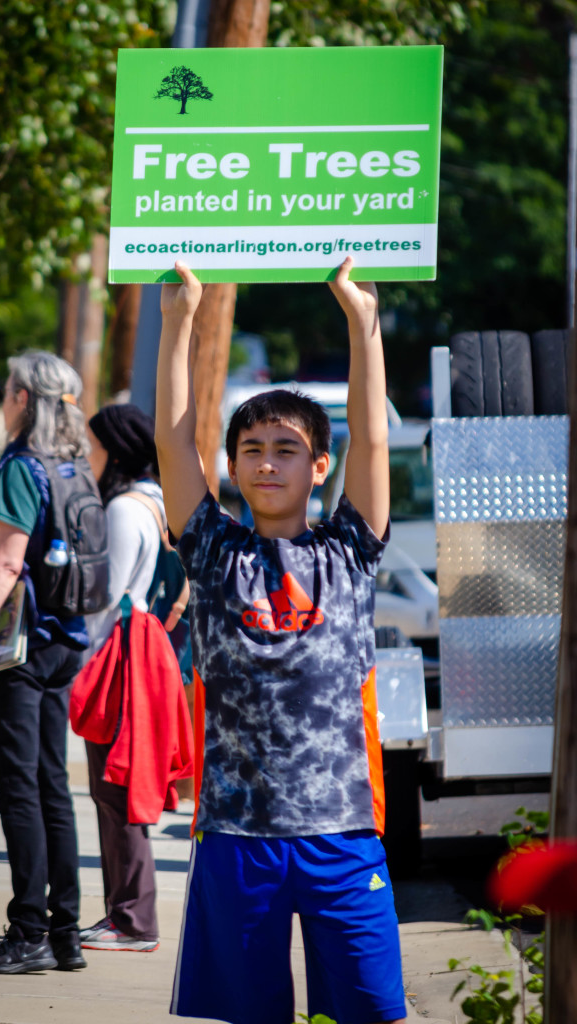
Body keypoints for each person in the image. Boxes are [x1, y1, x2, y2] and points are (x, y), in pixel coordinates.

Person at [154, 256, 407, 1024]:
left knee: (366, 1011)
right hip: (237, 836)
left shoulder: (348, 550)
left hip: (344, 833)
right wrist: (177, 323)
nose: (268, 461)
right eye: (253, 449)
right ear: (231, 466)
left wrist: (362, 324)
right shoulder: (210, 547)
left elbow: (373, 440)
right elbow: (173, 443)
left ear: (318, 466)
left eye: (287, 448)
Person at [0, 351, 89, 975]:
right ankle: (65, 933)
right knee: (52, 785)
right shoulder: (75, 467)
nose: (3, 395)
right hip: (67, 640)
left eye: (8, 388)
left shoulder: (19, 467)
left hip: (24, 646)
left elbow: (8, 563)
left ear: (22, 399)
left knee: (18, 789)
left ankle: (27, 932)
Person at [78, 403, 166, 953]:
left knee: (114, 792)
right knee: (122, 789)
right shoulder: (156, 503)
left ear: (117, 450)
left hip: (115, 664)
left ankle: (132, 921)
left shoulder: (122, 509)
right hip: (143, 659)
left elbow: (103, 602)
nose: (89, 456)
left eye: (95, 446)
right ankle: (125, 916)